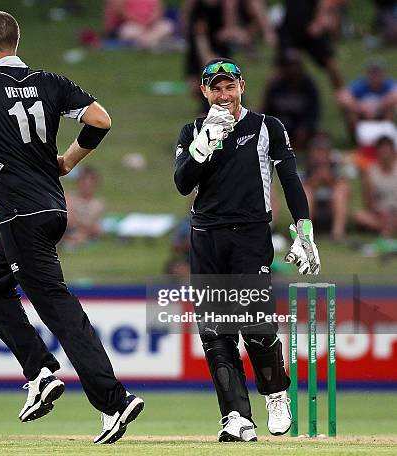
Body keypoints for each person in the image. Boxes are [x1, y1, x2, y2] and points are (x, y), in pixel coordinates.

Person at [0, 11, 144, 445]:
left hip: (19, 214)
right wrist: (68, 159)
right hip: (52, 209)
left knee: (57, 307)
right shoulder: (50, 81)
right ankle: (41, 371)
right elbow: (100, 119)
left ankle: (114, 400)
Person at [174, 58, 320, 442]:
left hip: (251, 235)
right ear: (204, 92)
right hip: (206, 237)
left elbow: (289, 178)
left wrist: (303, 230)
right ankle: (236, 417)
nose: (223, 95)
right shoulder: (191, 130)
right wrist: (204, 143)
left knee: (255, 323)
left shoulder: (267, 126)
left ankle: (275, 393)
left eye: (229, 87)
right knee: (215, 332)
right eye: (215, 88)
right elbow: (182, 182)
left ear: (242, 86)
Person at [261, 49, 320, 150]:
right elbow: (267, 109)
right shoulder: (276, 85)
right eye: (289, 65)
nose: (293, 69)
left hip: (301, 127)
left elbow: (313, 112)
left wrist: (305, 128)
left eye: (296, 65)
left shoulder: (308, 86)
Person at [278, 0, 344, 90]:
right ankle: (270, 101)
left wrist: (319, 22)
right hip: (290, 31)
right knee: (281, 70)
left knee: (332, 65)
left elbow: (325, 3)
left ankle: (343, 96)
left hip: (311, 29)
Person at [303, 133, 350, 240]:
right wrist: (313, 182)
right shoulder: (304, 170)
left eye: (323, 152)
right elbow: (296, 194)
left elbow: (347, 189)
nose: (320, 157)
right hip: (313, 212)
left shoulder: (337, 170)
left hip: (331, 210)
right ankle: (304, 235)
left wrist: (330, 181)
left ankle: (337, 233)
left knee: (340, 189)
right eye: (317, 151)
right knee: (305, 191)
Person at [353, 136, 397, 237]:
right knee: (358, 215)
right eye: (382, 151)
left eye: (387, 151)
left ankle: (386, 229)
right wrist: (379, 212)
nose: (385, 155)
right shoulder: (370, 172)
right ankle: (388, 228)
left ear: (393, 152)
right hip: (379, 213)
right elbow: (369, 202)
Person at [337, 60, 397, 133]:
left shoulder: (388, 83)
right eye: (373, 73)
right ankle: (357, 136)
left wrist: (378, 107)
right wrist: (359, 107)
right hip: (362, 115)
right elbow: (342, 96)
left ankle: (387, 134)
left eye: (378, 73)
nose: (376, 77)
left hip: (381, 113)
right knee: (351, 113)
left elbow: (395, 94)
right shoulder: (360, 84)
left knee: (389, 109)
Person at [64, 166, 104, 248]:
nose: (86, 186)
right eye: (84, 182)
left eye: (90, 183)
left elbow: (96, 227)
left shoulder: (98, 204)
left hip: (87, 234)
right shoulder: (70, 198)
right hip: (71, 231)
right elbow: (69, 220)